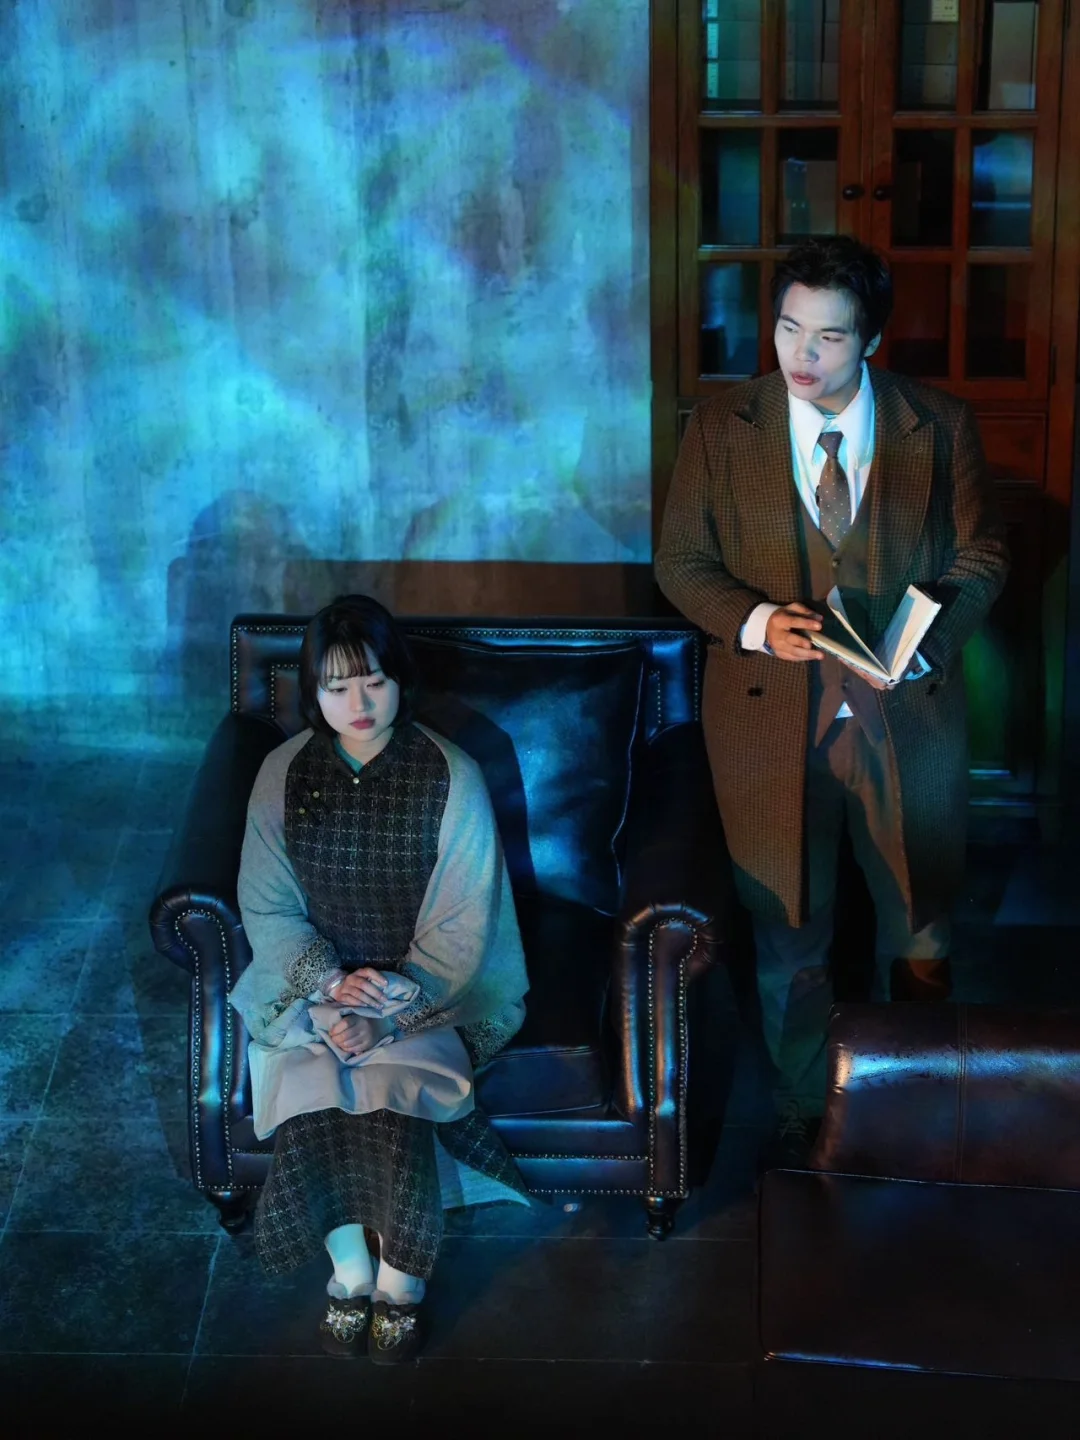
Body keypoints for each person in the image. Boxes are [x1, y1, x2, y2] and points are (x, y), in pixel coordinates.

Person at [655, 236, 1009, 1159]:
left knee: (920, 922)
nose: (801, 356)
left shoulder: (940, 425)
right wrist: (753, 620)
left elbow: (984, 555)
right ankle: (804, 1111)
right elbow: (680, 562)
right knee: (788, 927)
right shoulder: (719, 427)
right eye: (787, 328)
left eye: (830, 337)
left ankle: (921, 1105)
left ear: (873, 339)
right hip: (770, 719)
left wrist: (926, 644)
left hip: (908, 717)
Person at [229, 594, 530, 1362]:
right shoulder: (283, 772)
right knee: (312, 1087)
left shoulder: (452, 774)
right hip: (315, 986)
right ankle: (349, 1270)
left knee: (390, 1092)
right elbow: (266, 901)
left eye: (373, 682)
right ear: (313, 692)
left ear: (400, 679)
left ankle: (401, 1278)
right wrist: (327, 987)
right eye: (337, 687)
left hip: (431, 992)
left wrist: (389, 1015)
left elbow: (465, 923)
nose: (358, 704)